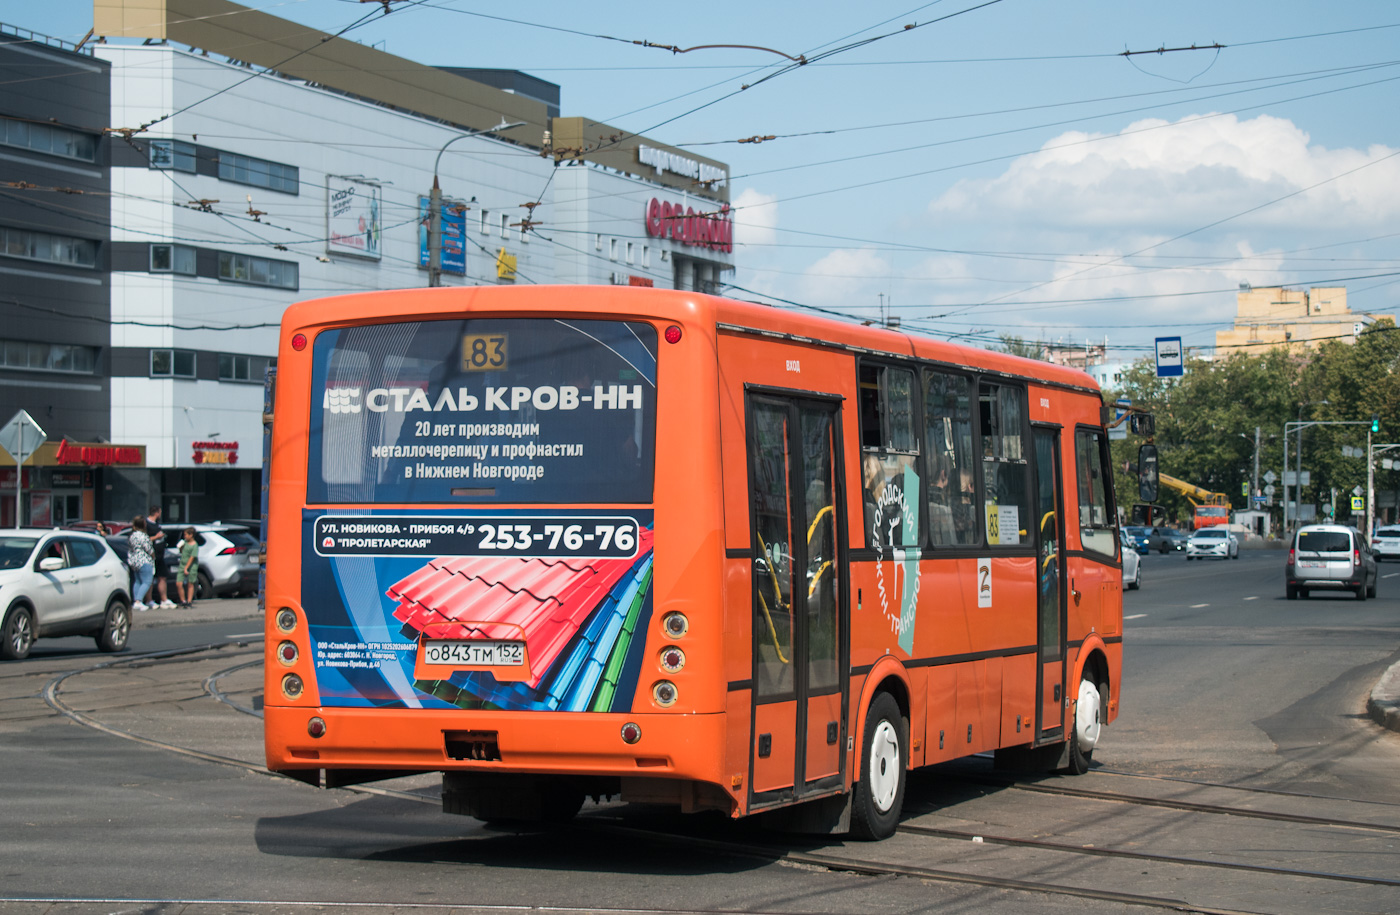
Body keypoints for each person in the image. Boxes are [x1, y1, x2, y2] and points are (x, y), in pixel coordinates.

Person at [146, 506, 176, 610]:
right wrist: (156, 537)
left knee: (162, 576)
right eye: (160, 512)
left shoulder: (157, 524)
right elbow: (144, 539)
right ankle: (149, 600)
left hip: (160, 555)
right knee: (149, 578)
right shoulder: (147, 524)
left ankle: (164, 599)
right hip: (151, 556)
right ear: (157, 512)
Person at [127, 516, 155, 612]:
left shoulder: (132, 535)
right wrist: (153, 556)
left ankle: (136, 601)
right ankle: (139, 601)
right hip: (144, 561)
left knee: (138, 581)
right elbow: (149, 549)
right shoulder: (143, 536)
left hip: (135, 561)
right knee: (147, 582)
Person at [176, 527, 199, 608]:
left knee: (190, 583)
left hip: (191, 566)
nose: (184, 536)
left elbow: (192, 557)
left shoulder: (195, 545)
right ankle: (183, 600)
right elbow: (182, 552)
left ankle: (189, 601)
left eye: (186, 534)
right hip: (182, 565)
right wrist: (180, 547)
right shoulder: (185, 543)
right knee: (179, 583)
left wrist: (186, 568)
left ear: (191, 535)